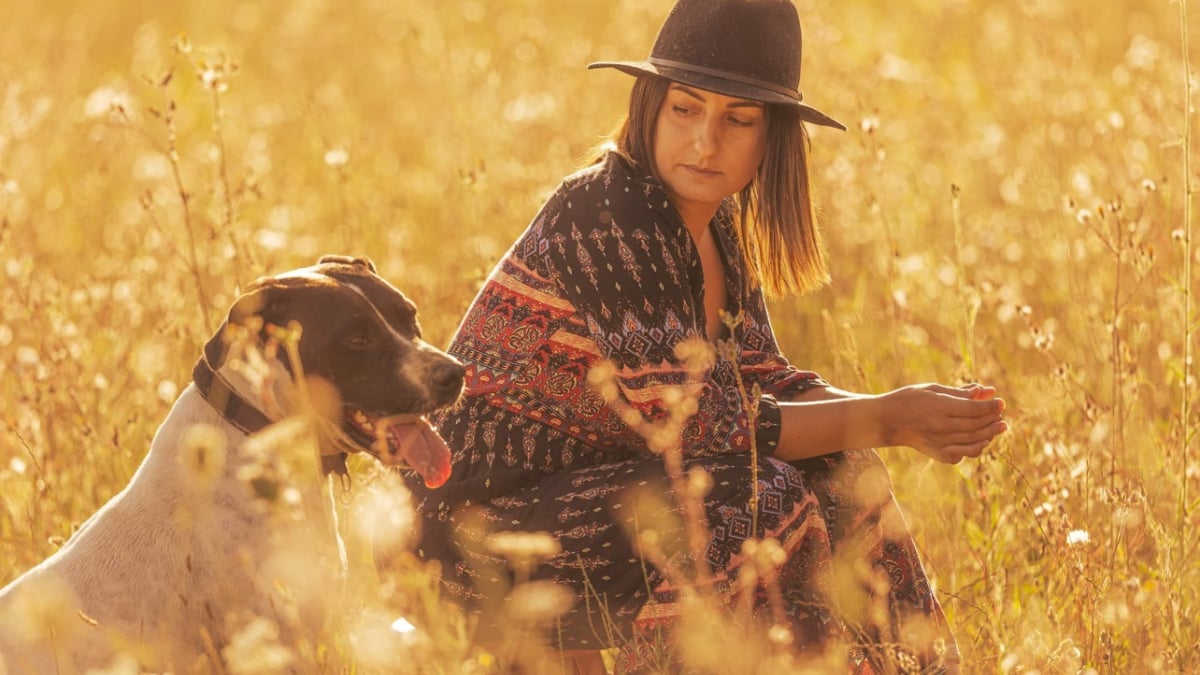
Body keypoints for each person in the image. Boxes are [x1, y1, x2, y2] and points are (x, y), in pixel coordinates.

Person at [404, 0, 1007, 671]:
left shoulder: (715, 229)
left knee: (847, 470)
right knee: (749, 500)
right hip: (468, 533)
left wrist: (913, 412)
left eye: (738, 119)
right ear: (651, 107)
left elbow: (762, 379)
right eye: (685, 109)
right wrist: (890, 416)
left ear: (772, 137)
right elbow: (710, 425)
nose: (705, 140)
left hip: (587, 504)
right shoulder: (606, 213)